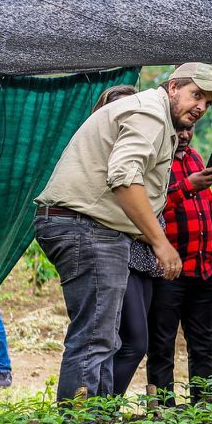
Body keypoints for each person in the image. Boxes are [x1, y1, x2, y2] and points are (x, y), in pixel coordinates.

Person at [33, 63, 212, 401]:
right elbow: (124, 178)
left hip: (96, 228)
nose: (200, 107)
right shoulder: (150, 114)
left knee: (108, 338)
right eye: (196, 95)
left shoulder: (159, 120)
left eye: (208, 103)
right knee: (95, 337)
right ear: (172, 88)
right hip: (87, 227)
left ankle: (99, 419)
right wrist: (161, 244)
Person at [88, 85, 168, 397]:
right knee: (128, 341)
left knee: (131, 341)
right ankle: (100, 410)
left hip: (144, 256)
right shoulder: (103, 155)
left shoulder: (147, 147)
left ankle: (106, 408)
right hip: (118, 252)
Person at [147, 125, 212, 404]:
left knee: (204, 344)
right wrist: (187, 186)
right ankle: (163, 410)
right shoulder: (155, 160)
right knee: (161, 344)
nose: (184, 134)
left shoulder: (194, 158)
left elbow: (208, 207)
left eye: (189, 129)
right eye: (179, 129)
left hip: (204, 267)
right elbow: (149, 208)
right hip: (168, 271)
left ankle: (203, 407)